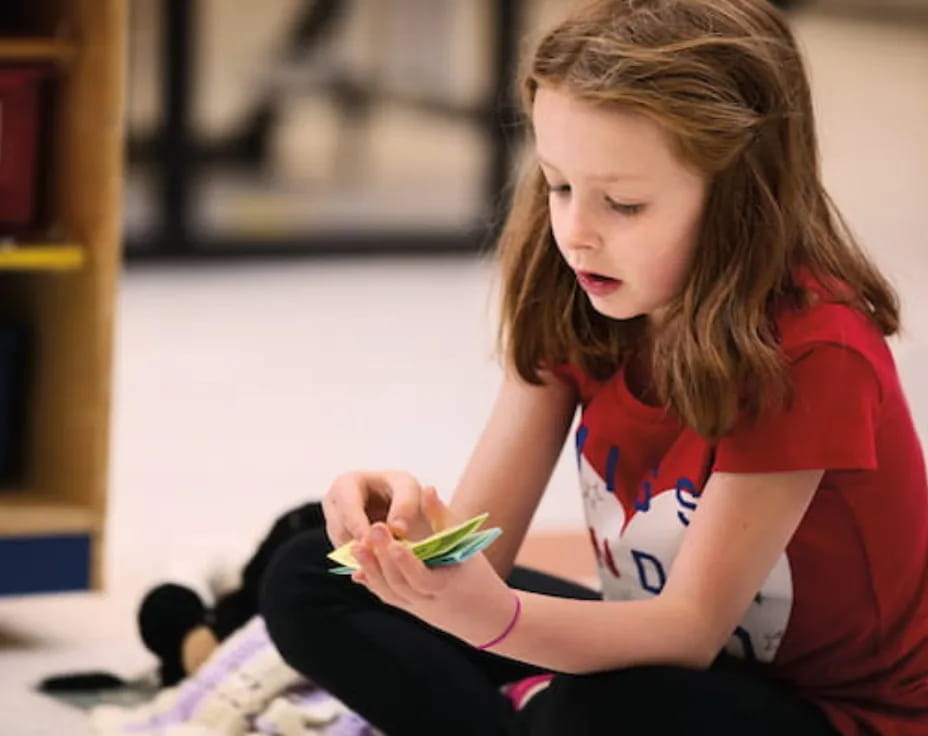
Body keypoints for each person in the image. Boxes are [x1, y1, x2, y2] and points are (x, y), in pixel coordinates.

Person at [259, 1, 928, 734]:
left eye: (625, 203)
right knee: (312, 574)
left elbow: (687, 631)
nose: (576, 232)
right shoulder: (576, 284)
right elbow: (486, 542)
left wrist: (494, 618)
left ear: (742, 197)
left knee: (587, 715)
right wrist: (407, 531)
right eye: (558, 185)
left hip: (833, 715)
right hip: (658, 661)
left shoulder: (814, 350)